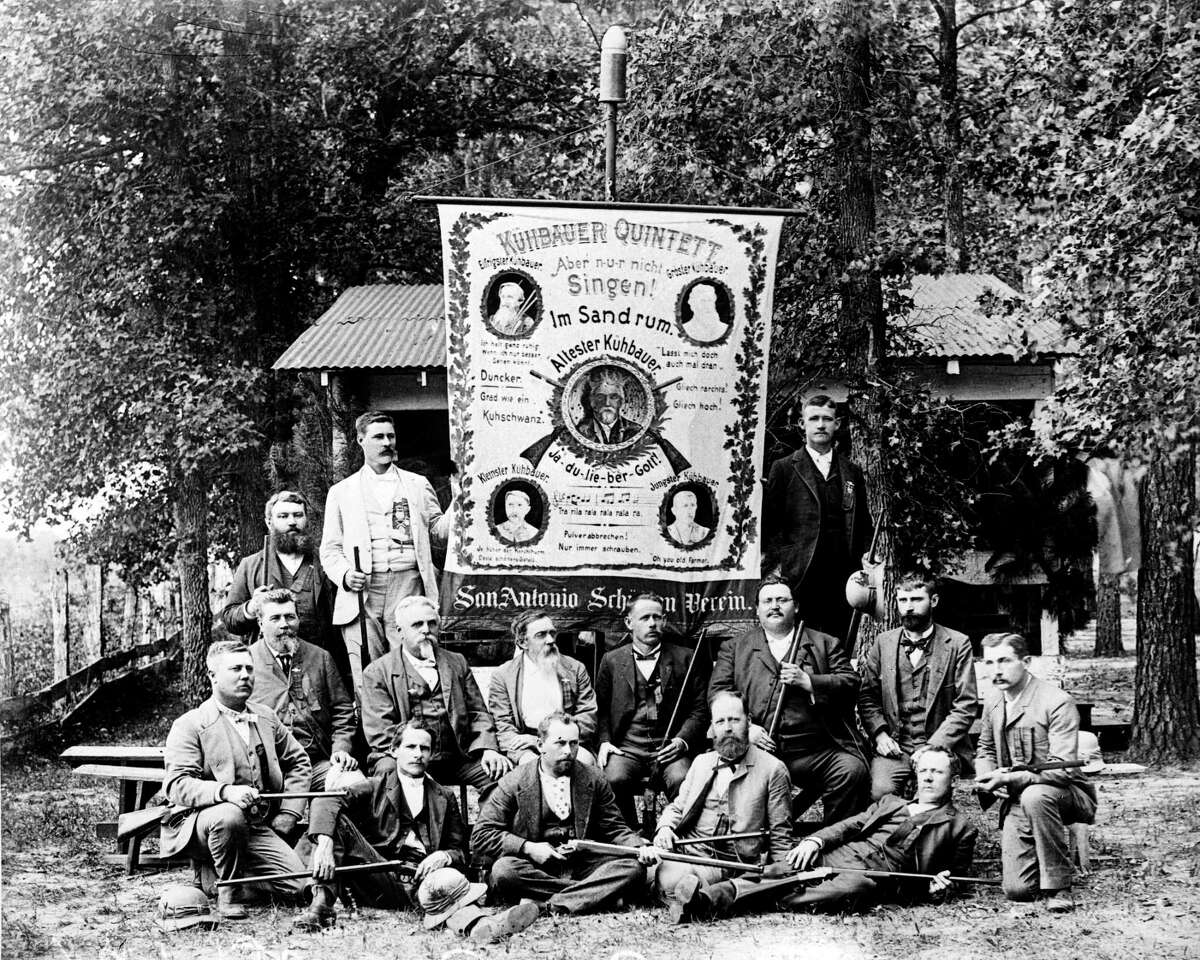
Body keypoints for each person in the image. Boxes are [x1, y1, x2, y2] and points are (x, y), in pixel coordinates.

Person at [297, 720, 538, 941]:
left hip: (426, 881)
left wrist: (443, 856)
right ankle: (321, 907)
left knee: (444, 885)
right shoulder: (374, 787)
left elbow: (461, 853)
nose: (417, 754)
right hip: (380, 876)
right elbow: (326, 801)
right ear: (394, 751)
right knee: (337, 822)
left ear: (431, 754)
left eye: (424, 748)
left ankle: (484, 927)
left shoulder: (444, 796)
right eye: (410, 747)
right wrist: (325, 842)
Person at [692, 745, 976, 917]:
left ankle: (771, 900)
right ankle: (705, 899)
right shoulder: (891, 802)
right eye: (923, 771)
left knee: (856, 888)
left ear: (953, 778)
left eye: (937, 772)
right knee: (784, 867)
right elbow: (850, 825)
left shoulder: (960, 826)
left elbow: (957, 879)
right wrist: (815, 840)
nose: (927, 777)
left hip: (877, 876)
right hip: (842, 854)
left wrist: (941, 889)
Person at [159, 640, 312, 920]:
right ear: (213, 676)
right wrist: (225, 792)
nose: (245, 675)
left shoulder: (265, 717)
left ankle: (221, 877)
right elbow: (176, 784)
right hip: (204, 824)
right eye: (235, 669)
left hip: (256, 825)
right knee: (228, 816)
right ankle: (228, 889)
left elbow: (299, 762)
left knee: (301, 888)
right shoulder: (190, 724)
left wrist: (290, 811)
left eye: (249, 669)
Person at [709, 576, 868, 825]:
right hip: (758, 749)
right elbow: (718, 694)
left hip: (815, 751)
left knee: (851, 769)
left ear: (795, 606)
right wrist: (746, 729)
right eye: (768, 601)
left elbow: (851, 683)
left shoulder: (824, 643)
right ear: (757, 610)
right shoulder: (735, 648)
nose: (775, 605)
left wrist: (809, 681)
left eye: (782, 600)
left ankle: (832, 842)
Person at [472, 712, 661, 916]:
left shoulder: (593, 778)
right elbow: (482, 834)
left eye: (573, 743)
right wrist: (528, 848)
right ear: (540, 745)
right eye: (560, 743)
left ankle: (547, 905)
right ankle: (595, 894)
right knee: (504, 871)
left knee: (633, 868)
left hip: (582, 864)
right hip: (536, 866)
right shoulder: (515, 781)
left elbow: (614, 827)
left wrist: (639, 847)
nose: (568, 751)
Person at [320, 411, 451, 695]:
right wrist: (344, 575)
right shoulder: (342, 491)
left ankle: (417, 731)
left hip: (409, 585)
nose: (386, 443)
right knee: (368, 673)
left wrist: (463, 503)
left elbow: (439, 531)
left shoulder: (416, 485)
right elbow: (329, 549)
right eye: (378, 437)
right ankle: (376, 734)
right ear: (360, 440)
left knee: (415, 663)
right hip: (363, 591)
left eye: (390, 436)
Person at [975, 632, 1097, 912]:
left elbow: (1062, 769)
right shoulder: (994, 701)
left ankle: (1059, 885)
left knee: (1036, 796)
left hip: (1065, 794)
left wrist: (1010, 777)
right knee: (1017, 890)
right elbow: (984, 749)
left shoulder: (1056, 701)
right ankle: (1036, 866)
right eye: (989, 663)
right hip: (1018, 797)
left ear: (1026, 661)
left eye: (1005, 661)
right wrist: (988, 777)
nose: (996, 670)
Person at [652, 691, 793, 923]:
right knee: (646, 867)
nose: (727, 728)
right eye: (720, 721)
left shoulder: (772, 769)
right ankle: (693, 897)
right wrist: (665, 829)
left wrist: (779, 876)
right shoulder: (701, 763)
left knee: (670, 875)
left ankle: (697, 895)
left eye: (734, 720)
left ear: (748, 722)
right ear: (712, 729)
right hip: (690, 852)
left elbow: (780, 835)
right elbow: (677, 809)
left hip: (733, 864)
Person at [360, 596, 510, 794]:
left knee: (504, 778)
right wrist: (416, 760)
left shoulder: (457, 662)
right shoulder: (378, 672)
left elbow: (478, 713)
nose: (426, 630)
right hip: (405, 757)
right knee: (389, 777)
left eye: (432, 623)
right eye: (417, 624)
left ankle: (489, 825)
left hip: (457, 757)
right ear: (400, 632)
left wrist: (488, 749)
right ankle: (404, 826)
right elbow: (381, 732)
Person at [857, 573, 978, 800]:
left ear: (933, 601)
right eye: (903, 600)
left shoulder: (958, 644)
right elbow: (867, 697)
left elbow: (966, 704)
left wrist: (935, 745)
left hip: (940, 745)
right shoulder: (884, 643)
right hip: (896, 745)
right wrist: (880, 735)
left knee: (931, 793)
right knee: (880, 791)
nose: (908, 608)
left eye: (916, 599)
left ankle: (933, 832)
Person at [594, 593, 709, 829]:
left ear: (665, 621)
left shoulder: (686, 658)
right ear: (629, 623)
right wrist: (605, 741)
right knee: (612, 778)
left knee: (684, 779)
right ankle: (628, 833)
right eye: (645, 617)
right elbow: (601, 709)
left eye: (657, 617)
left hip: (670, 748)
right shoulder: (611, 660)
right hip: (627, 747)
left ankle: (677, 833)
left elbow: (700, 709)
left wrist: (682, 741)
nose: (652, 623)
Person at [762, 394, 871, 638]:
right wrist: (782, 566)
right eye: (814, 419)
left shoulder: (851, 471)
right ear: (803, 424)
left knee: (839, 644)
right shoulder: (784, 467)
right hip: (801, 575)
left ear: (837, 424)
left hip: (843, 576)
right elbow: (770, 525)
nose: (820, 425)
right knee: (801, 644)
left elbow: (862, 523)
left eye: (827, 419)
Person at [220, 490, 347, 682]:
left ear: (306, 520)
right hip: (269, 668)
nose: (292, 522)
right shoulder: (251, 565)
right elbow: (230, 618)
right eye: (283, 516)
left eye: (298, 515)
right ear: (269, 522)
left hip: (318, 663)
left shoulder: (326, 563)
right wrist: (252, 607)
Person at [248, 589, 358, 795]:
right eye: (275, 618)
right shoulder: (246, 662)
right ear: (261, 624)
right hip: (265, 772)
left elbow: (342, 711)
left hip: (315, 765)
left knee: (354, 785)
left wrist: (341, 749)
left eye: (290, 617)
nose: (284, 624)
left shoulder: (320, 658)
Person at [488, 609, 598, 766]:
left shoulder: (575, 668)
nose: (550, 640)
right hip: (524, 744)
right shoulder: (503, 675)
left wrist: (546, 741)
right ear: (522, 642)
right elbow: (502, 723)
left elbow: (587, 716)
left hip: (567, 740)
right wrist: (528, 743)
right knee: (530, 768)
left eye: (552, 633)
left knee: (583, 762)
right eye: (541, 635)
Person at [575, 367, 643, 446]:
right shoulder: (579, 431)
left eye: (613, 397)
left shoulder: (635, 430)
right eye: (600, 397)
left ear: (621, 401)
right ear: (592, 401)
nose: (607, 403)